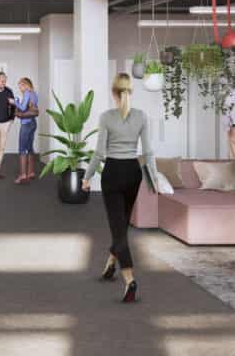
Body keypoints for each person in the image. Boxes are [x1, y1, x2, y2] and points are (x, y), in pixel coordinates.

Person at [82, 73, 157, 304]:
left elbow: (99, 153)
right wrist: (153, 180)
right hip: (133, 173)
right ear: (130, 91)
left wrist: (86, 177)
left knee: (118, 229)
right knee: (121, 224)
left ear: (114, 92)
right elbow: (147, 153)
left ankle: (130, 280)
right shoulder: (142, 116)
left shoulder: (106, 117)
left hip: (113, 173)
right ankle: (110, 266)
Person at [11, 77, 39, 184]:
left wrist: (15, 102)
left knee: (22, 149)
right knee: (30, 148)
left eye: (20, 86)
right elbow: (33, 108)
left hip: (26, 124)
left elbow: (22, 108)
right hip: (33, 123)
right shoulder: (34, 94)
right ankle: (31, 172)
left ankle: (23, 175)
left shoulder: (27, 93)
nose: (20, 89)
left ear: (25, 84)